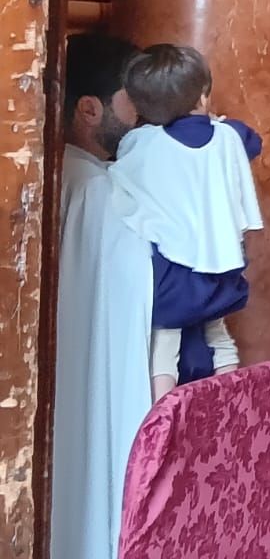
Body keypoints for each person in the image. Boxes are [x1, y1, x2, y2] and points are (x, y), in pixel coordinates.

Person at [109, 44, 264, 400]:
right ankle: (231, 399)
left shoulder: (141, 142)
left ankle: (160, 413)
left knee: (164, 342)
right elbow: (253, 143)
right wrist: (218, 124)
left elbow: (122, 180)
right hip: (221, 261)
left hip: (172, 266)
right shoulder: (229, 135)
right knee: (218, 334)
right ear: (204, 96)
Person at [53, 33, 148, 559]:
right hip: (96, 378)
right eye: (131, 101)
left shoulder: (53, 175)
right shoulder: (101, 193)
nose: (141, 116)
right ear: (90, 109)